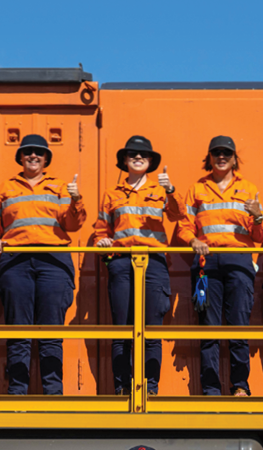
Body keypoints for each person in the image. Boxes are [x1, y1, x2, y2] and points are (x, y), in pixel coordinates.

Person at [0, 134, 86, 395]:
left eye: (39, 152)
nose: (33, 156)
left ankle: (53, 394)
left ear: (46, 157)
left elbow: (72, 225)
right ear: (20, 157)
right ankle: (18, 394)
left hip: (53, 261)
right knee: (19, 331)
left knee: (51, 331)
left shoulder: (60, 187)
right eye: (28, 152)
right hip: (16, 262)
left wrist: (76, 200)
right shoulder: (6, 188)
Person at [176, 135, 263, 397]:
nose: (221, 157)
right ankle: (211, 389)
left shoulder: (249, 189)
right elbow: (183, 225)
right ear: (209, 158)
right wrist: (193, 240)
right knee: (210, 328)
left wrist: (258, 216)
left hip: (239, 261)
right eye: (216, 153)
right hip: (208, 262)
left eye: (227, 153)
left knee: (239, 326)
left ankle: (240, 386)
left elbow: (260, 237)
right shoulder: (197, 189)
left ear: (235, 158)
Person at [94, 135, 174, 396]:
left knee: (151, 328)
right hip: (121, 264)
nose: (138, 158)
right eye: (132, 155)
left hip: (154, 263)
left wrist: (171, 190)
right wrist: (102, 241)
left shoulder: (162, 190)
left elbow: (178, 215)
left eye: (143, 155)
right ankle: (123, 388)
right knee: (123, 328)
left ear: (150, 162)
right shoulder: (112, 194)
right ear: (125, 162)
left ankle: (149, 388)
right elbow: (100, 229)